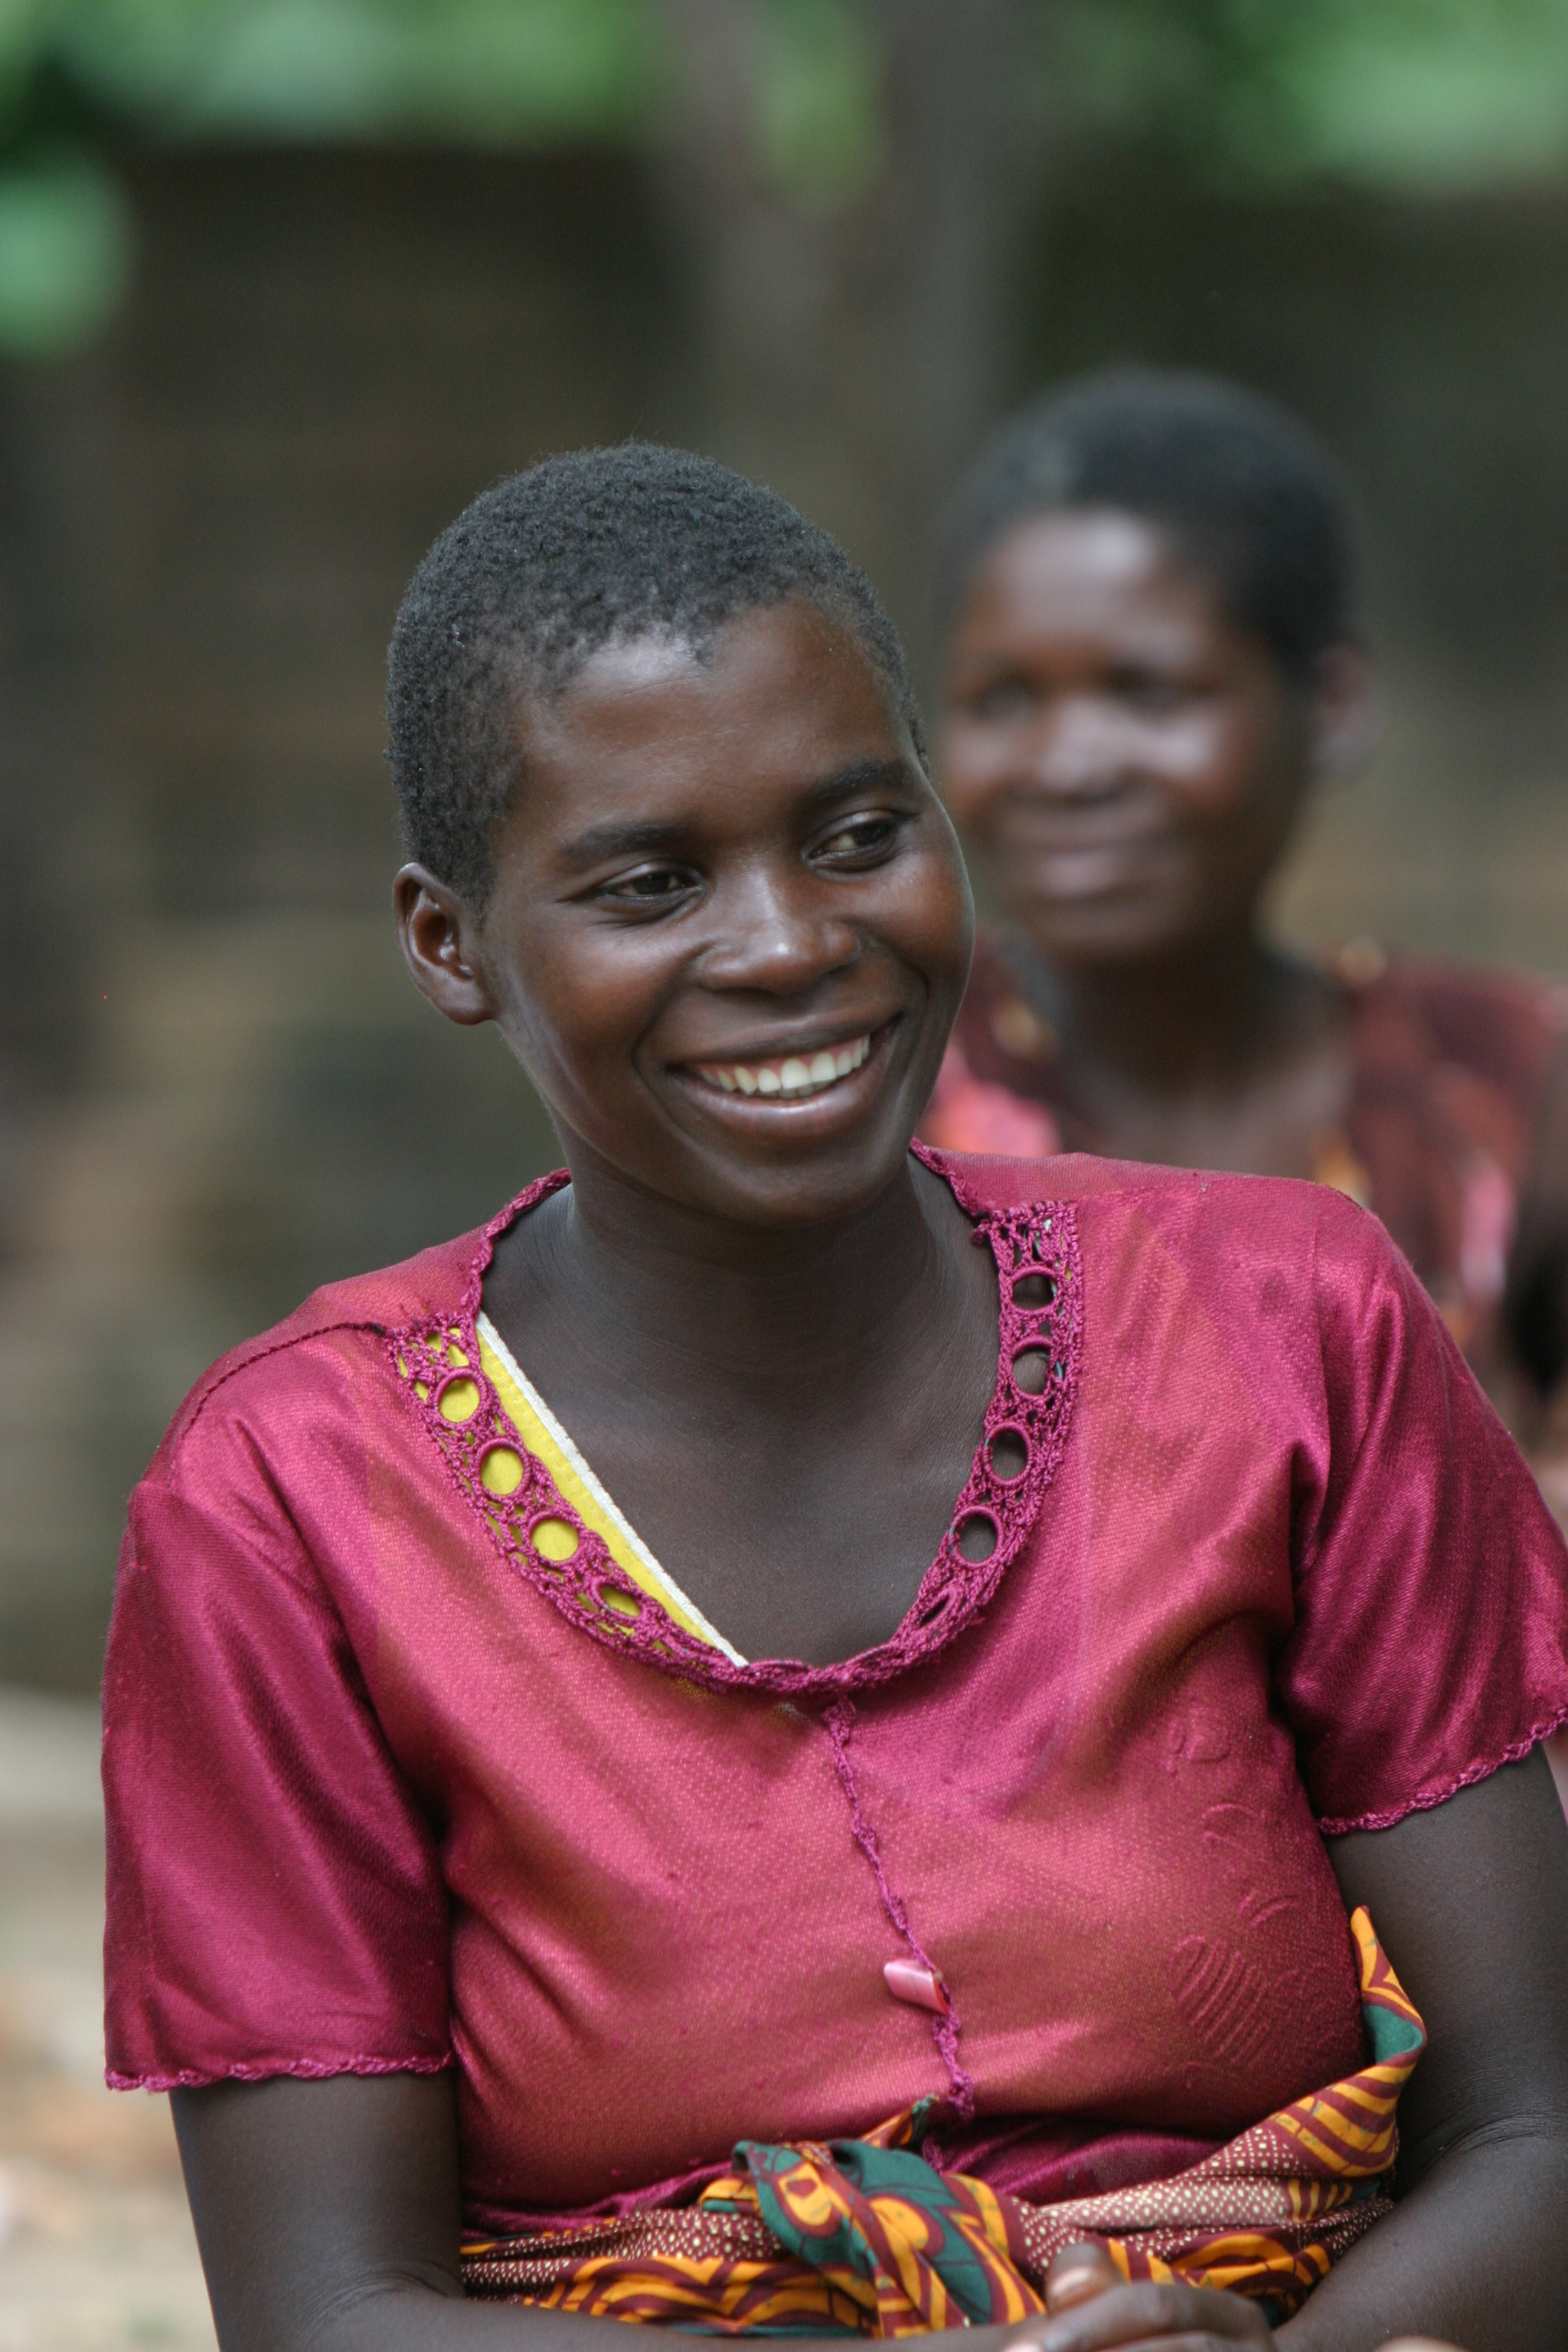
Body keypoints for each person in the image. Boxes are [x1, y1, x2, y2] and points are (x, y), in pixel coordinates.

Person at [101, 446, 1568, 2352]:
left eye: (859, 833)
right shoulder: (293, 1500)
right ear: (449, 946)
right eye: (649, 882)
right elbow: (326, 2314)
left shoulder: (1285, 1321)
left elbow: (1537, 2124)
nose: (791, 944)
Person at [921, 370, 1568, 1436]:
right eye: (1002, 700)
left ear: (1332, 706)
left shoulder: (1504, 1087)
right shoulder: (881, 1109)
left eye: (1147, 692)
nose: (1067, 765)